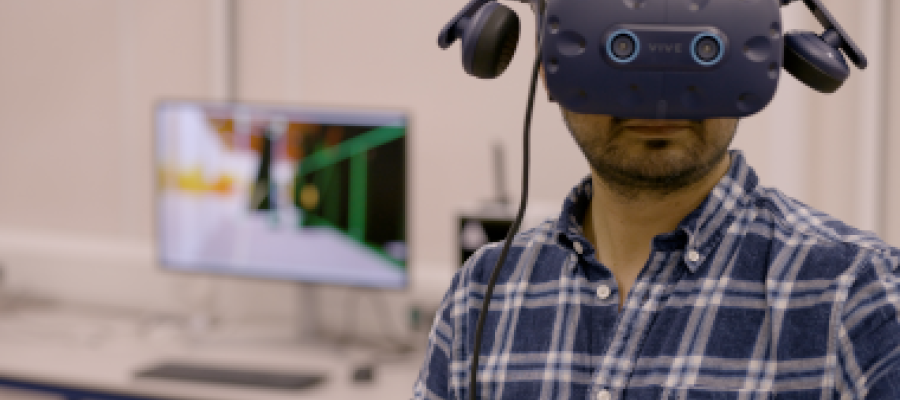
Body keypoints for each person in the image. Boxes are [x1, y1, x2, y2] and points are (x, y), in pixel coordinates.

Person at [414, 16, 900, 400]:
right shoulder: (480, 296)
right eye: (617, 47)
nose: (657, 93)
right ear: (547, 64)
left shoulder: (860, 297)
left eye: (701, 48)